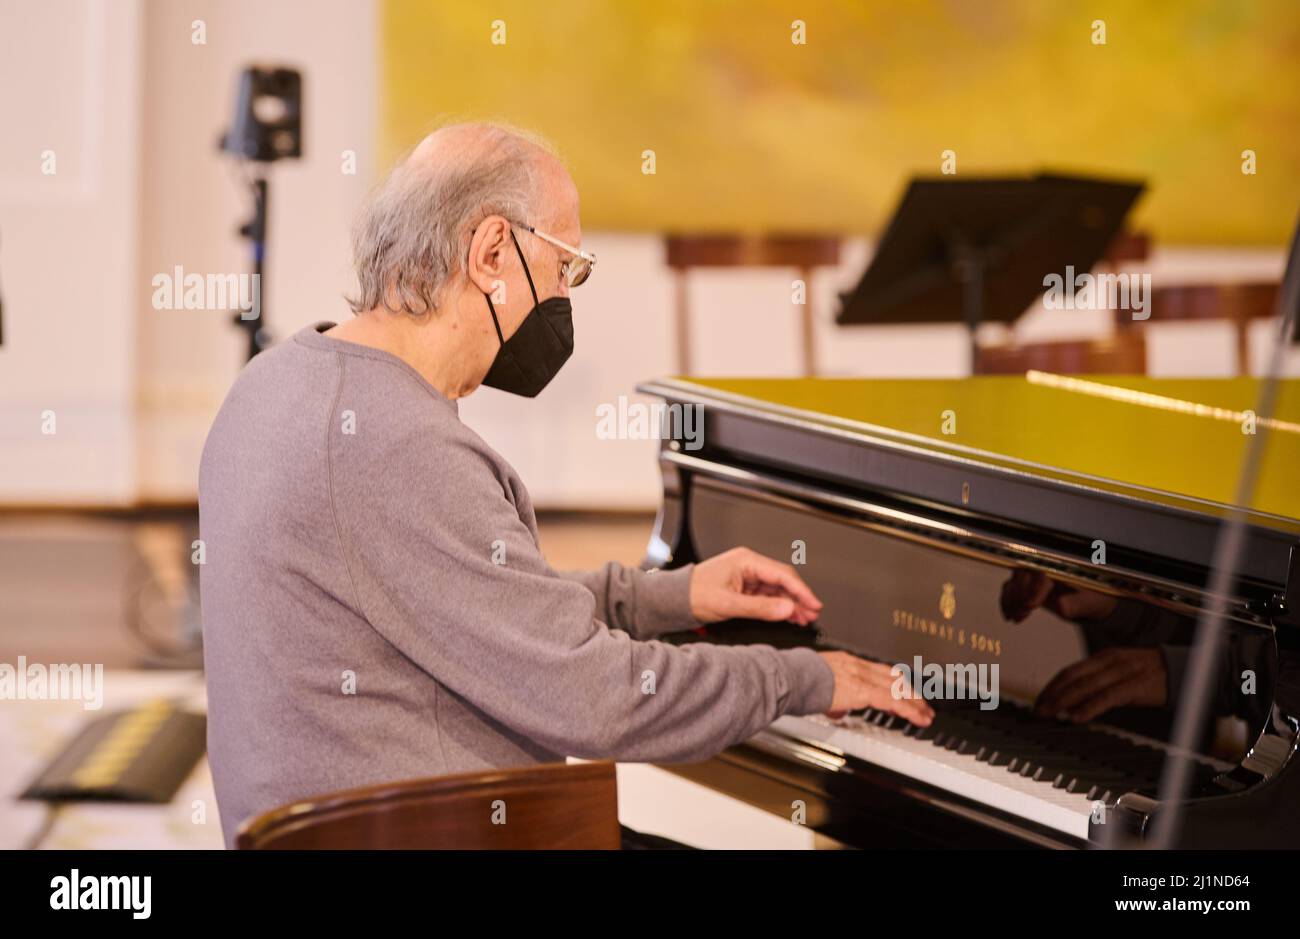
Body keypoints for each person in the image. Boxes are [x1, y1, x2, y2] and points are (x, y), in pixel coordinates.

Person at [198, 122, 932, 848]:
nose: (563, 298)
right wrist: (804, 678)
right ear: (491, 253)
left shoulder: (275, 384)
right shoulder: (398, 444)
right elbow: (596, 698)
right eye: (563, 269)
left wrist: (669, 596)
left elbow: (470, 600)